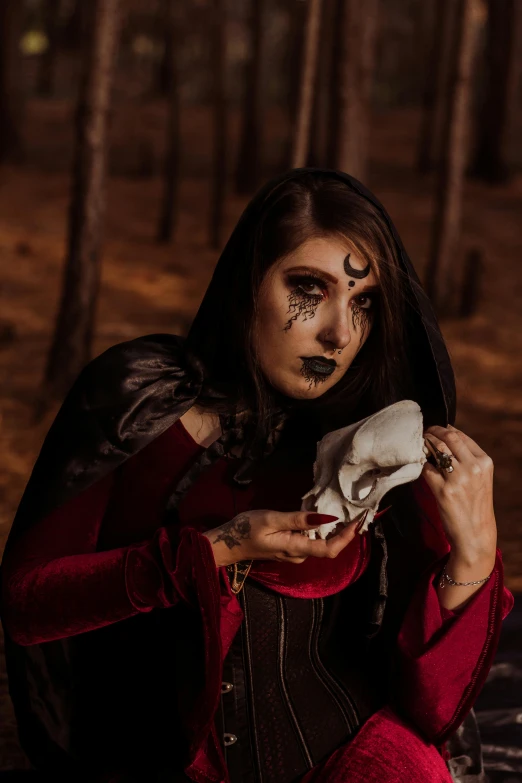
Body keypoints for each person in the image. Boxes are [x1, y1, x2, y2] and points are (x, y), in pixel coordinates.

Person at [0, 169, 513, 783]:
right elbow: (27, 607)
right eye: (308, 288)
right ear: (248, 284)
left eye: (364, 302)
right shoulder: (142, 402)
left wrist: (476, 550)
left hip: (352, 753)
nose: (340, 333)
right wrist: (219, 549)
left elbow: (432, 711)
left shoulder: (375, 445)